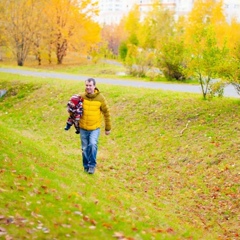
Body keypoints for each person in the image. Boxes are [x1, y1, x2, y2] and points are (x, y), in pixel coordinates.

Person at [79, 78, 111, 174]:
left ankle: (92, 165)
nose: (88, 87)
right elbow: (74, 109)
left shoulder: (100, 98)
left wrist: (108, 128)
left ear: (94, 86)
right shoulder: (81, 96)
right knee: (85, 148)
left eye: (90, 85)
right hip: (83, 127)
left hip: (94, 128)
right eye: (87, 85)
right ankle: (86, 166)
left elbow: (106, 113)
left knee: (92, 144)